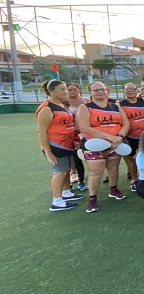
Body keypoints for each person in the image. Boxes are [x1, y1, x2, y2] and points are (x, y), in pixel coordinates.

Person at [77, 81, 130, 213]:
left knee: (113, 167)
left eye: (103, 89)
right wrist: (110, 137)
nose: (100, 92)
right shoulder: (85, 107)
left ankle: (114, 189)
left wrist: (120, 137)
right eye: (96, 90)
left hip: (115, 144)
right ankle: (92, 198)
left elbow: (126, 124)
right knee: (95, 171)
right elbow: (84, 127)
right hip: (94, 144)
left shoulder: (115, 106)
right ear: (90, 92)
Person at [36, 80, 83, 211]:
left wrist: (73, 140)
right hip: (56, 145)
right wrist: (48, 151)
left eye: (65, 89)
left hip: (67, 144)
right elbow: (42, 130)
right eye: (62, 89)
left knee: (66, 170)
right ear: (51, 91)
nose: (65, 92)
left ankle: (66, 193)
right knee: (60, 172)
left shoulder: (61, 105)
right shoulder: (46, 108)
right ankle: (56, 201)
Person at [120, 83, 144, 192]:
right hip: (129, 136)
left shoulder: (143, 101)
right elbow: (120, 122)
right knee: (130, 159)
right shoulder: (121, 104)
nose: (131, 90)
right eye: (128, 89)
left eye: (133, 88)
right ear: (124, 91)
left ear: (137, 90)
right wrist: (124, 137)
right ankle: (134, 180)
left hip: (143, 136)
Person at [65, 82, 88, 190]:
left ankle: (81, 179)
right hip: (69, 133)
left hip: (84, 132)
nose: (72, 91)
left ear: (79, 89)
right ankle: (72, 175)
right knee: (71, 156)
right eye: (69, 89)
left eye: (74, 89)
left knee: (82, 154)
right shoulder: (64, 102)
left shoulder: (85, 101)